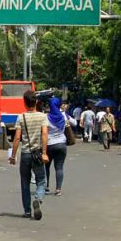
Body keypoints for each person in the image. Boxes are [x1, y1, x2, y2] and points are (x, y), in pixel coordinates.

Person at [9, 90, 49, 220]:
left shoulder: (21, 117)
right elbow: (44, 134)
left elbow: (16, 138)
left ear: (24, 103)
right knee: (41, 180)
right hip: (37, 154)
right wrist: (44, 153)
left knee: (25, 183)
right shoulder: (43, 117)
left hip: (25, 154)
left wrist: (13, 156)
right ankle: (38, 198)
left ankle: (27, 211)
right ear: (36, 102)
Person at [44, 97, 70, 196]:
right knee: (59, 167)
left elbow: (44, 133)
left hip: (49, 145)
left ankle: (46, 187)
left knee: (46, 166)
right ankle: (58, 189)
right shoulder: (64, 115)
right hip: (61, 144)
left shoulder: (46, 117)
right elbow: (74, 123)